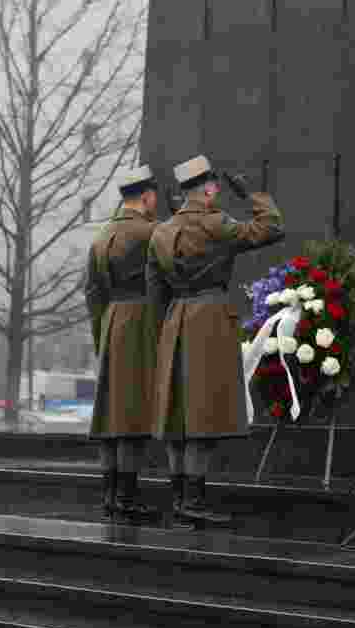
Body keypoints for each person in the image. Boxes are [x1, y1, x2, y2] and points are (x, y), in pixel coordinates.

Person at [147, 155, 285, 526]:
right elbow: (271, 228)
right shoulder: (217, 223)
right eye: (216, 187)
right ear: (208, 188)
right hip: (208, 319)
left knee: (176, 416)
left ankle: (179, 500)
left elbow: (155, 292)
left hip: (174, 320)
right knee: (202, 417)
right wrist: (252, 195)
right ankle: (193, 502)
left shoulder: (161, 232)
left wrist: (167, 329)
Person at [85, 164, 162, 524]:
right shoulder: (152, 232)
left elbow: (92, 293)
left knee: (110, 415)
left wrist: (102, 335)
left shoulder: (102, 236)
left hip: (111, 323)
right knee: (133, 413)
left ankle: (111, 497)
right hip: (141, 323)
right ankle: (127, 499)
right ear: (146, 196)